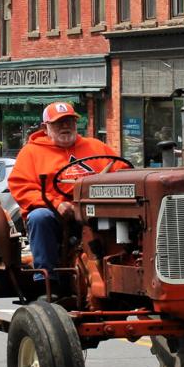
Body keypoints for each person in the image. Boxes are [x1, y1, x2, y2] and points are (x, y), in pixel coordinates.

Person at [7, 100, 123, 279]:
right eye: (59, 123)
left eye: (70, 121)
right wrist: (56, 204)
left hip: (96, 209)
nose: (66, 126)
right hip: (56, 213)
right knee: (39, 217)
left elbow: (121, 170)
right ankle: (46, 280)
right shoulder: (31, 152)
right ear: (45, 128)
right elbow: (22, 187)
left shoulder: (96, 147)